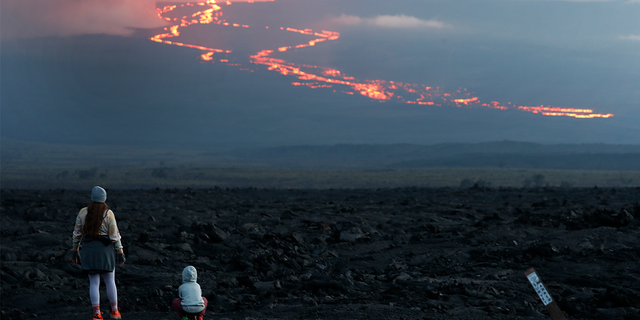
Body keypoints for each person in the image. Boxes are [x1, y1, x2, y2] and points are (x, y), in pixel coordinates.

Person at [71, 186, 126, 320]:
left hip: (89, 250)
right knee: (110, 281)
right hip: (105, 251)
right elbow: (114, 235)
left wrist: (75, 250)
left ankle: (97, 313)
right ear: (104, 198)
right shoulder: (108, 213)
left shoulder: (83, 213)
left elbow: (77, 234)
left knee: (94, 283)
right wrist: (120, 252)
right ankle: (115, 311)